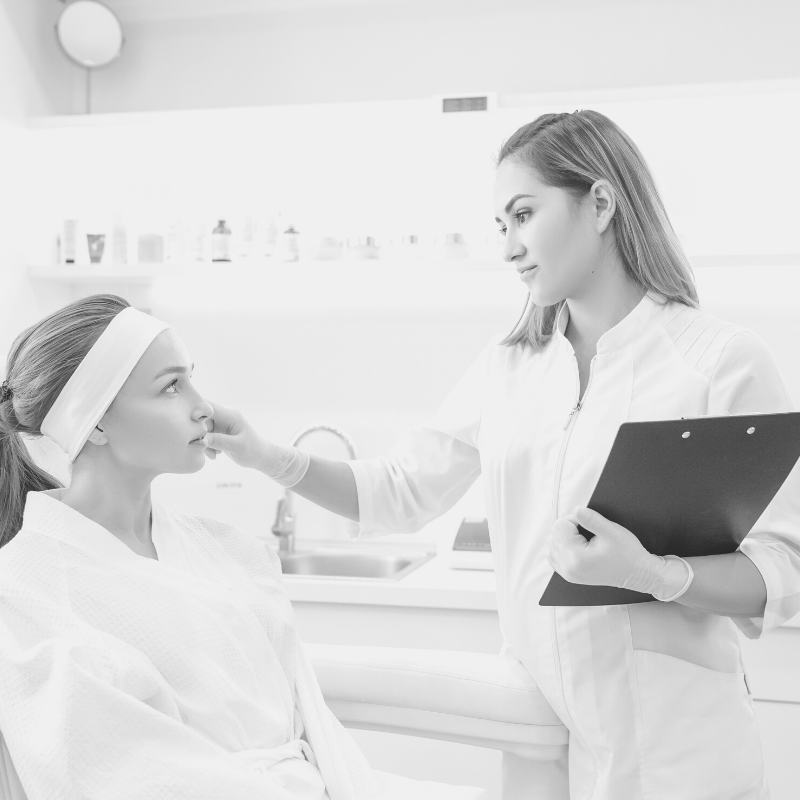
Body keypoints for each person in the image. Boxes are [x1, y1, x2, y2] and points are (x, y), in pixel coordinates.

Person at [203, 110, 800, 800]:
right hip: (540, 737)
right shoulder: (511, 365)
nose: (510, 247)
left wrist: (654, 574)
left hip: (673, 749)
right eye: (500, 226)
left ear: (601, 203)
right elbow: (398, 491)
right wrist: (266, 456)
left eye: (523, 215)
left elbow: (783, 567)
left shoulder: (717, 362)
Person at [0, 294, 486, 800]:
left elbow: (312, 729)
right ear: (96, 421)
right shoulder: (29, 593)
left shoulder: (229, 551)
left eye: (191, 378)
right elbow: (118, 772)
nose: (203, 406)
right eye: (171, 387)